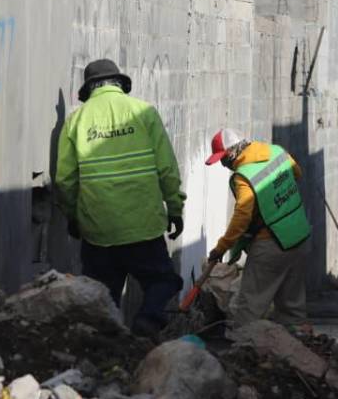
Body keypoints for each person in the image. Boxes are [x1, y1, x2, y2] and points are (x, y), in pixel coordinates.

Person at [56, 59, 185, 338]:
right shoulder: (144, 113)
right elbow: (167, 169)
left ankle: (107, 348)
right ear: (119, 83)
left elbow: (64, 181)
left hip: (98, 232)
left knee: (103, 298)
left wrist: (74, 218)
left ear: (89, 89)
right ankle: (148, 320)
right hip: (143, 227)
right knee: (164, 280)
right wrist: (175, 208)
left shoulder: (76, 121)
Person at [205, 128, 311, 327]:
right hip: (298, 236)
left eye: (223, 159)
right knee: (292, 308)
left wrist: (222, 247)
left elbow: (242, 216)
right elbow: (297, 173)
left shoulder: (243, 176)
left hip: (271, 243)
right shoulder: (277, 152)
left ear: (232, 153)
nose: (223, 164)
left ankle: (243, 343)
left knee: (249, 309)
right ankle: (299, 340)